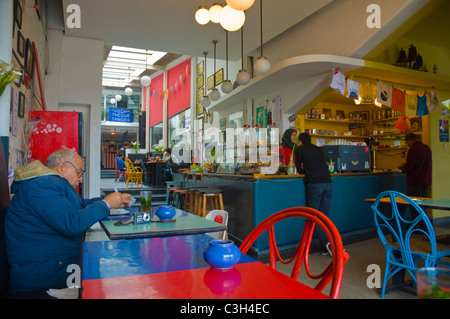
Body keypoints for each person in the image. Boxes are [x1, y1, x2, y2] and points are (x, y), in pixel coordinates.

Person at [4, 149, 132, 296]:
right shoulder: (41, 186)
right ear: (62, 167)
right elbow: (72, 223)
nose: (80, 179)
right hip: (44, 280)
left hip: (58, 268)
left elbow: (78, 205)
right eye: (79, 172)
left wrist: (111, 202)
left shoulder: (48, 184)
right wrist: (105, 204)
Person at [294, 132, 333, 255]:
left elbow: (300, 170)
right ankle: (330, 243)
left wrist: (304, 167)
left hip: (315, 184)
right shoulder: (318, 149)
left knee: (313, 216)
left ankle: (324, 244)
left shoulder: (299, 150)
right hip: (328, 183)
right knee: (324, 216)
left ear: (300, 141)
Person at [399, 133, 432, 197]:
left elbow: (410, 165)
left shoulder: (413, 149)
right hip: (426, 179)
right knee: (424, 203)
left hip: (415, 181)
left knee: (414, 203)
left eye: (407, 142)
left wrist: (402, 167)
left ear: (410, 140)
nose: (407, 144)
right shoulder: (427, 148)